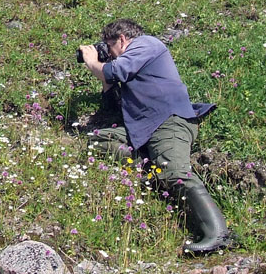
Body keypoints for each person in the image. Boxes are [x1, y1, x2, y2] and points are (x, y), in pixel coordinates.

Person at [79, 18, 231, 254]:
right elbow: (111, 105)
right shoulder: (130, 63)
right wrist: (105, 75)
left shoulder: (147, 44)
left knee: (177, 173)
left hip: (168, 121)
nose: (108, 53)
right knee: (98, 140)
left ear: (121, 39)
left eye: (108, 47)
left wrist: (93, 63)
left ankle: (219, 234)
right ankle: (155, 172)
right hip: (142, 128)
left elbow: (116, 71)